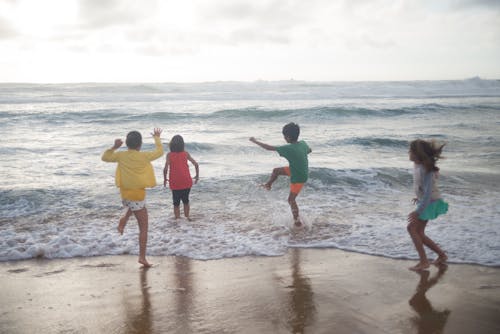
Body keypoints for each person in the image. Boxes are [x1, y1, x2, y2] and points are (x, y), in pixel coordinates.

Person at [101, 128, 164, 267]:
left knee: (132, 207)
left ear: (126, 144)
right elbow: (160, 152)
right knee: (144, 228)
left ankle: (123, 219)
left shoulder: (121, 155)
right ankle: (142, 257)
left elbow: (104, 157)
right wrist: (157, 138)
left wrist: (114, 147)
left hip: (125, 194)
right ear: (140, 144)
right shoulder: (144, 156)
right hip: (137, 195)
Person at [250, 122, 312, 227]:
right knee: (276, 171)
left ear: (287, 137)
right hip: (297, 169)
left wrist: (255, 141)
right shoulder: (303, 143)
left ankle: (297, 221)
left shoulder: (288, 148)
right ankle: (268, 184)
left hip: (299, 176)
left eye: (284, 136)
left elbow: (268, 148)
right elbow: (309, 150)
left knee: (291, 199)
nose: (284, 138)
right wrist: (300, 155)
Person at [407, 139, 449, 271]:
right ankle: (442, 255)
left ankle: (424, 261)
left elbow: (428, 192)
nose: (408, 153)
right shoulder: (418, 166)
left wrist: (418, 211)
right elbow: (423, 189)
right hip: (426, 201)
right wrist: (418, 197)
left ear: (417, 154)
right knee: (419, 232)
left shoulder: (427, 170)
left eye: (411, 151)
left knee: (412, 229)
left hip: (429, 203)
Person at [163, 135, 199, 220]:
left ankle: (177, 219)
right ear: (182, 144)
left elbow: (165, 169)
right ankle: (187, 217)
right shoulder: (185, 154)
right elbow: (196, 164)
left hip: (175, 182)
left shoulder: (169, 155)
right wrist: (197, 176)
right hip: (186, 181)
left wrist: (165, 179)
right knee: (186, 201)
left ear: (171, 145)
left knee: (176, 203)